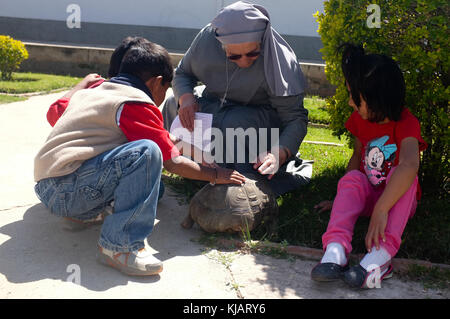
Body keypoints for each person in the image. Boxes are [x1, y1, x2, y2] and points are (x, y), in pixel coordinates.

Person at [33, 40, 246, 276]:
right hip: (69, 189)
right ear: (156, 82)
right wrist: (215, 175)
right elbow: (170, 162)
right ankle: (120, 246)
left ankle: (83, 214)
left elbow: (167, 140)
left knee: (155, 188)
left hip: (51, 187)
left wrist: (198, 155)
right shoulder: (135, 103)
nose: (163, 97)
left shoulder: (98, 92)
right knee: (147, 152)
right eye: (165, 89)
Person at [161, 1, 310, 197]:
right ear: (220, 44)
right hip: (213, 103)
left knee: (234, 122)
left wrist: (280, 151)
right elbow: (182, 74)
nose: (244, 62)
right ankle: (187, 166)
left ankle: (236, 176)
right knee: (173, 101)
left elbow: (295, 119)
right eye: (234, 56)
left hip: (254, 117)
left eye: (253, 53)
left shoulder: (279, 61)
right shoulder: (207, 39)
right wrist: (187, 99)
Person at [311, 44, 427, 288]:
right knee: (353, 178)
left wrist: (382, 208)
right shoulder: (359, 120)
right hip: (369, 199)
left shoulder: (407, 124)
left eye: (355, 97)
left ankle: (381, 257)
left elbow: (409, 164)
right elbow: (357, 159)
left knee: (405, 175)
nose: (350, 103)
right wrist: (342, 200)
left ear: (376, 99)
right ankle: (335, 250)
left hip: (395, 203)